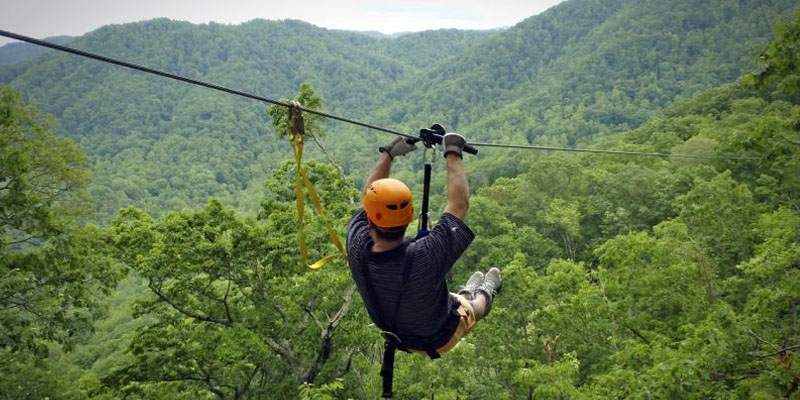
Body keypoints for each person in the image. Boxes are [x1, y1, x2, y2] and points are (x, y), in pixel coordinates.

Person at [346, 132, 503, 361]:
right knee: (469, 308)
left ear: (370, 219)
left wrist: (388, 155)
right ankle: (485, 292)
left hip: (401, 330)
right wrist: (453, 150)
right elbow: (458, 205)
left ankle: (465, 293)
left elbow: (367, 197)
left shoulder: (357, 244)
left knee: (443, 295)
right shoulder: (426, 255)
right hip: (439, 337)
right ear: (410, 217)